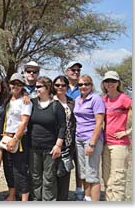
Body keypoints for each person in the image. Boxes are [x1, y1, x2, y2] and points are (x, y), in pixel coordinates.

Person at [28, 76, 66, 201]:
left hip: (50, 149)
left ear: (48, 88)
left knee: (49, 179)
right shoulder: (31, 103)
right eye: (36, 86)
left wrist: (58, 145)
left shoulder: (56, 106)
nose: (36, 89)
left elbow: (62, 127)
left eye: (39, 86)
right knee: (35, 178)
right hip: (33, 147)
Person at [101, 71, 132, 201]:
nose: (110, 83)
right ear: (104, 84)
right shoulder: (103, 99)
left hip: (119, 145)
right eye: (107, 81)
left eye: (113, 81)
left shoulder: (124, 98)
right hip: (105, 143)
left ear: (118, 83)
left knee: (118, 179)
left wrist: (128, 131)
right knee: (107, 178)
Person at [74, 74, 105, 202]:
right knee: (83, 173)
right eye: (80, 84)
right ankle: (87, 198)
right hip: (79, 139)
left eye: (86, 84)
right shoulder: (77, 99)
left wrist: (92, 143)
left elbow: (99, 122)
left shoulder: (95, 99)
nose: (83, 87)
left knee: (92, 174)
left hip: (91, 139)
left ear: (91, 86)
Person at [2, 73, 32, 201]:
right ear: (9, 85)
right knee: (8, 168)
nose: (16, 86)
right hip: (6, 137)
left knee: (20, 170)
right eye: (13, 83)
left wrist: (15, 139)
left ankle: (24, 199)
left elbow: (24, 122)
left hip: (19, 139)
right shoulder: (7, 99)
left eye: (19, 84)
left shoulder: (25, 102)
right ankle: (12, 195)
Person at [52, 75, 77, 201]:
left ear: (67, 87)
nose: (60, 87)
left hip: (68, 142)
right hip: (52, 142)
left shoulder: (72, 102)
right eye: (57, 85)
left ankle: (63, 199)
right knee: (52, 173)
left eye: (63, 85)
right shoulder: (50, 100)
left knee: (65, 172)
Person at [64, 61, 84, 200]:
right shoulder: (61, 86)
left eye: (78, 70)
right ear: (67, 71)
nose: (76, 72)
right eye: (73, 70)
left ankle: (78, 190)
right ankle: (63, 191)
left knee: (80, 163)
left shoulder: (83, 87)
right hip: (64, 131)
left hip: (80, 131)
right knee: (65, 162)